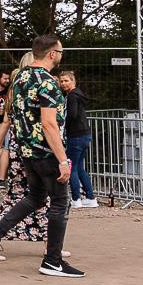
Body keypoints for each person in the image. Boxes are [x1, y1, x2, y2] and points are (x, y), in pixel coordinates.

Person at [0, 35, 83, 278]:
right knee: (60, 202)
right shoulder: (47, 83)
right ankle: (52, 260)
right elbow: (49, 124)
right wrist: (63, 159)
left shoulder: (20, 79)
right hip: (46, 152)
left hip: (26, 151)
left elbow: (10, 114)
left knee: (35, 197)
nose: (61, 54)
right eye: (60, 51)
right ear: (52, 54)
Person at [58, 69, 96, 207]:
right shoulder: (76, 95)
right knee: (79, 167)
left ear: (73, 81)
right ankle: (90, 197)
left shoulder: (72, 96)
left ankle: (76, 198)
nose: (63, 84)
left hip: (76, 135)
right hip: (84, 134)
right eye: (61, 81)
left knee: (72, 167)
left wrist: (63, 124)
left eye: (66, 81)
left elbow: (72, 115)